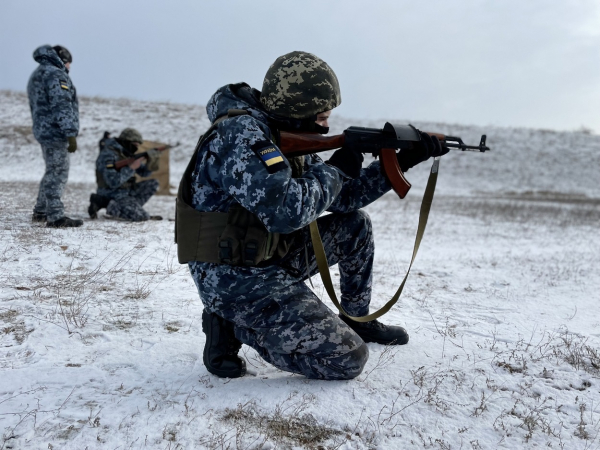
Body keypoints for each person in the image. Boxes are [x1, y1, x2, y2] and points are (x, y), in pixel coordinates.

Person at [177, 51, 447, 380]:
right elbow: (285, 212)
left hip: (264, 253)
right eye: (320, 118)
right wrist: (336, 168)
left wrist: (403, 161)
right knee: (347, 358)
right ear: (296, 109)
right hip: (230, 275)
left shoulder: (275, 132)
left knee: (355, 225)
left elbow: (343, 198)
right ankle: (232, 325)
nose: (327, 125)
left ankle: (357, 318)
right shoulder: (241, 136)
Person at [27, 45, 82, 228]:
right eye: (68, 63)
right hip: (55, 131)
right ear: (61, 59)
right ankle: (56, 216)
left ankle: (41, 211)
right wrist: (70, 133)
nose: (68, 68)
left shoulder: (37, 74)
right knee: (58, 172)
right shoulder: (56, 75)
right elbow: (62, 105)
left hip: (43, 130)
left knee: (51, 170)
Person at [89, 128, 162, 221]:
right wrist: (131, 168)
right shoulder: (108, 155)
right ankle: (109, 205)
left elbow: (144, 173)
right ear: (126, 142)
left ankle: (131, 207)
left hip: (126, 192)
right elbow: (112, 182)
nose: (136, 148)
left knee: (153, 183)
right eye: (135, 145)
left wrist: (152, 162)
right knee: (141, 217)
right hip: (111, 193)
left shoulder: (126, 153)